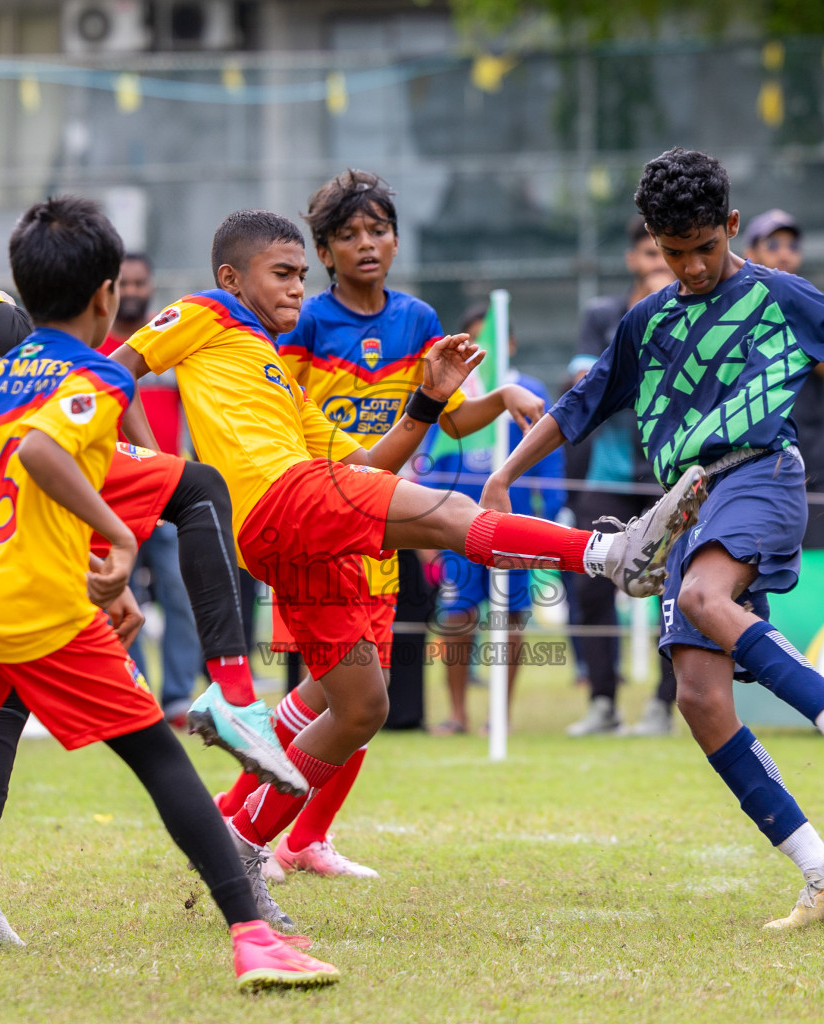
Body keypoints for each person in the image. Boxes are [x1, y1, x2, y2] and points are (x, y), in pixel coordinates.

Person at [482, 149, 824, 928]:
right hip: (686, 504)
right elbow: (582, 402)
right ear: (652, 239)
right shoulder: (646, 320)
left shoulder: (781, 296)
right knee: (701, 698)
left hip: (761, 474)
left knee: (702, 596)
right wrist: (505, 473)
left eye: (704, 248)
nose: (691, 267)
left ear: (733, 227)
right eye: (673, 253)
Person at [0, 196, 338, 995]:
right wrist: (116, 536)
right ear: (110, 297)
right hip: (28, 605)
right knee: (157, 756)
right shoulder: (94, 373)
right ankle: (254, 934)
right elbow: (46, 454)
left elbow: (23, 462)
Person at [109, 208, 705, 928]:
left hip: (294, 522)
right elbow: (116, 374)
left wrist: (428, 397)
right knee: (450, 516)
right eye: (283, 273)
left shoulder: (277, 376)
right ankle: (610, 553)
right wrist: (159, 470)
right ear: (231, 277)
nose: (297, 288)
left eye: (301, 274)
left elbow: (367, 462)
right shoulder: (204, 311)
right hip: (281, 503)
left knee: (361, 706)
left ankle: (239, 845)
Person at [214, 169, 544, 880]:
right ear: (324, 253)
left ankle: (305, 839)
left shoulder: (418, 320)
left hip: (384, 522)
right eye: (347, 235)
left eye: (379, 229)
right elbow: (276, 417)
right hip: (319, 514)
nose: (367, 243)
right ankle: (243, 820)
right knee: (337, 696)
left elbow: (446, 415)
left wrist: (504, 394)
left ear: (396, 239)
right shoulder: (299, 318)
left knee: (363, 699)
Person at [425, 303, 566, 737]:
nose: (485, 349)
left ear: (511, 343)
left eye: (493, 339)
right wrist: (426, 528)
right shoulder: (448, 398)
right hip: (455, 529)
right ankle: (458, 713)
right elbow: (428, 460)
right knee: (456, 617)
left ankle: (498, 717)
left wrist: (553, 514)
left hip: (515, 527)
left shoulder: (529, 391)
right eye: (474, 341)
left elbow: (550, 458)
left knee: (511, 618)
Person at [567, 215, 680, 737]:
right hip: (608, 474)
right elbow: (589, 385)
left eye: (667, 256)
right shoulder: (603, 314)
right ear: (634, 259)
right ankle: (602, 700)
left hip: (669, 474)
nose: (660, 265)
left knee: (674, 589)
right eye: (651, 256)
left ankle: (663, 703)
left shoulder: (699, 314)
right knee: (589, 582)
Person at [100, 252, 206, 722]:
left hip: (170, 488)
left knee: (182, 592)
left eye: (143, 282)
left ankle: (180, 696)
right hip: (113, 493)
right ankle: (137, 692)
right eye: (127, 282)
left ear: (152, 285)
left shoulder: (170, 346)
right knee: (123, 597)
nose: (136, 290)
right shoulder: (98, 347)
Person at [742, 209, 824, 551]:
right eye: (772, 244)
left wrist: (795, 327)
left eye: (792, 245)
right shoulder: (732, 311)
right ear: (749, 253)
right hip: (750, 468)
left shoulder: (812, 305)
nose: (784, 252)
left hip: (813, 464)